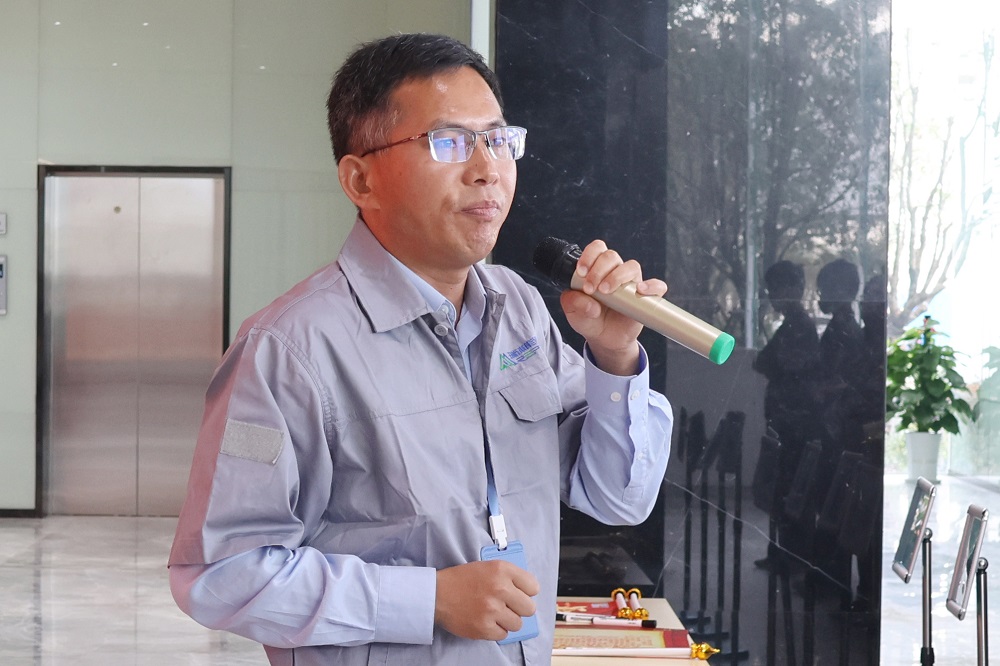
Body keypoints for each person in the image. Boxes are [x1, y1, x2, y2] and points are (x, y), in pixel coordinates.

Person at [168, 33, 672, 666]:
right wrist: (427, 598)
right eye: (450, 142)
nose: (487, 168)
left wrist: (614, 357)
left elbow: (617, 497)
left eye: (498, 140)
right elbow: (219, 574)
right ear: (361, 179)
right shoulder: (287, 350)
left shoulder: (517, 309)